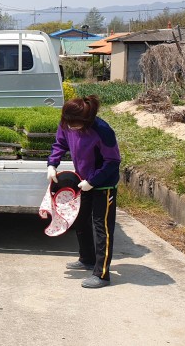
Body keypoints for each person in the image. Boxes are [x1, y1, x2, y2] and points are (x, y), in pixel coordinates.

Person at [47, 95, 121, 289]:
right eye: (69, 123)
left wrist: (93, 181)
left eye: (76, 124)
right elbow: (60, 144)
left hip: (103, 185)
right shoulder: (67, 123)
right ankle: (86, 258)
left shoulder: (102, 131)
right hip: (82, 181)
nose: (71, 127)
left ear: (87, 121)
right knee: (80, 219)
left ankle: (102, 274)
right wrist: (52, 164)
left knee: (102, 228)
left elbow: (112, 162)